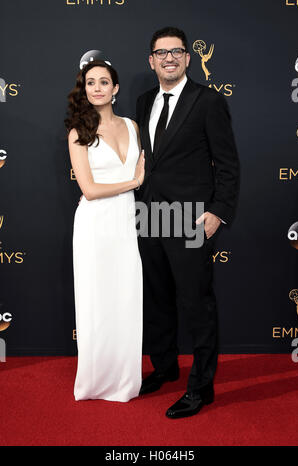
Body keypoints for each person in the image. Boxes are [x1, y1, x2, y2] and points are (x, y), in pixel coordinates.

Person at [135, 27, 240, 418]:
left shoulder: (208, 101)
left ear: (187, 59)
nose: (169, 58)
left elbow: (228, 163)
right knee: (158, 300)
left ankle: (201, 387)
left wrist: (218, 211)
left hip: (192, 218)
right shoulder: (144, 100)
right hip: (149, 215)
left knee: (196, 303)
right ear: (151, 60)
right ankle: (164, 368)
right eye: (161, 53)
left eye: (176, 52)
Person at [65, 60, 145, 402]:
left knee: (126, 300)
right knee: (96, 302)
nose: (97, 87)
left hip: (126, 224)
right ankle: (95, 381)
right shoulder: (78, 132)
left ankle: (126, 380)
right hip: (94, 225)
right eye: (90, 83)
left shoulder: (133, 126)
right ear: (85, 91)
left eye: (104, 82)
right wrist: (135, 181)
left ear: (116, 88)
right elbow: (90, 189)